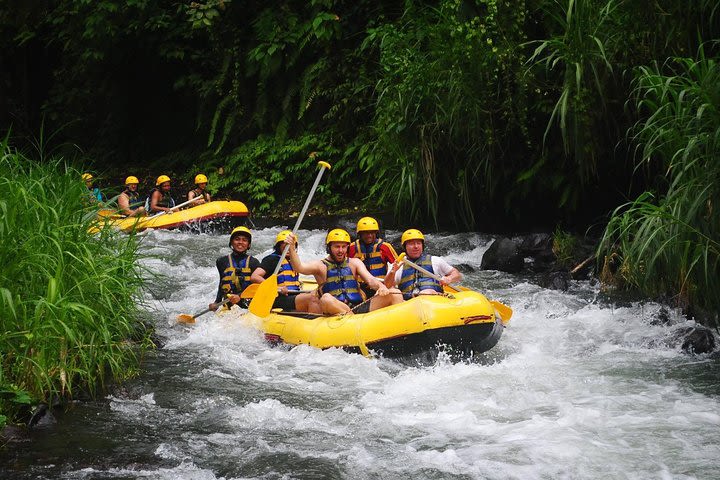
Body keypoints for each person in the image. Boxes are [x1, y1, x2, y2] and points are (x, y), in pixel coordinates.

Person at [284, 229, 402, 315]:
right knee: (325, 298)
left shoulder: (354, 262)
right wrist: (292, 248)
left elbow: (370, 280)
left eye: (344, 247)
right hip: (335, 311)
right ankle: (352, 321)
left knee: (394, 292)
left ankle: (401, 332)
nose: (341, 251)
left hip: (358, 307)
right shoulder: (320, 266)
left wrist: (380, 286)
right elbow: (299, 267)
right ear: (329, 248)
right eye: (337, 247)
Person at [250, 230, 322, 313]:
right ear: (279, 246)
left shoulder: (293, 261)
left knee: (318, 295)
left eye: (291, 246)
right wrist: (277, 288)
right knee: (312, 298)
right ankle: (313, 321)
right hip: (278, 298)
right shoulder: (272, 260)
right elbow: (255, 276)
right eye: (285, 246)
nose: (288, 249)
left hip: (292, 295)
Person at [385, 228, 462, 299]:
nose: (416, 246)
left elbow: (457, 275)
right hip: (408, 304)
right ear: (405, 247)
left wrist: (449, 278)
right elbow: (387, 286)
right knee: (392, 292)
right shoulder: (398, 265)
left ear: (422, 245)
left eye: (418, 243)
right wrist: (392, 272)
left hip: (433, 300)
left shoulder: (435, 260)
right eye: (411, 244)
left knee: (425, 293)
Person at [209, 226, 260, 311]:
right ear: (231, 242)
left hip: (247, 306)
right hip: (229, 306)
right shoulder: (222, 261)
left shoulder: (254, 262)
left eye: (244, 240)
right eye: (237, 239)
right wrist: (216, 302)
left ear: (249, 244)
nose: (240, 242)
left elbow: (257, 287)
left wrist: (239, 297)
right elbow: (222, 282)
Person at [348, 216, 398, 297]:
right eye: (366, 233)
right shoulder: (351, 248)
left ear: (376, 233)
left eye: (372, 232)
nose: (369, 235)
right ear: (360, 234)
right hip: (360, 287)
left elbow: (397, 266)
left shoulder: (385, 247)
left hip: (381, 285)